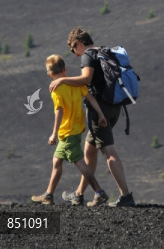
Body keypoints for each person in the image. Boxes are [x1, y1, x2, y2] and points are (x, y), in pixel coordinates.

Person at [48, 26, 136, 207]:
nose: (76, 55)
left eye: (74, 51)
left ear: (79, 44)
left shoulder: (88, 55)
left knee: (109, 152)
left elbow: (86, 79)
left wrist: (62, 80)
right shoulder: (103, 51)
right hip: (114, 108)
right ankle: (79, 194)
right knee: (89, 150)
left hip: (99, 111)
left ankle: (126, 196)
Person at [31, 54, 110, 206]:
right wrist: (100, 114)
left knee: (80, 163)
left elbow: (59, 111)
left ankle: (99, 192)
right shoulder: (76, 83)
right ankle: (48, 195)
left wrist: (54, 133)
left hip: (67, 132)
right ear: (65, 69)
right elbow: (91, 98)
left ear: (49, 74)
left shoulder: (56, 89)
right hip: (75, 130)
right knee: (57, 162)